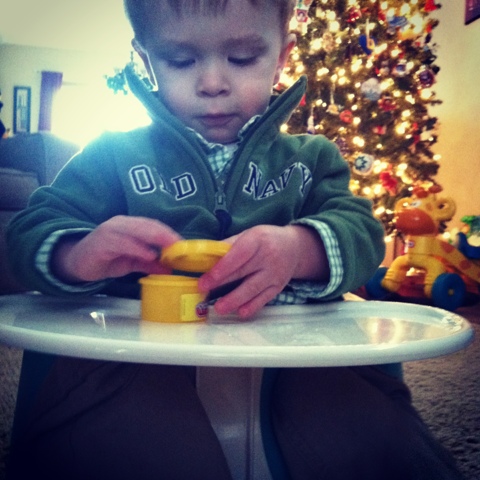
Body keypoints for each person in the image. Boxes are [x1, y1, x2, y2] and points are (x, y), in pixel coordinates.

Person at [6, 1, 464, 479]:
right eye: (180, 60)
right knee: (126, 433)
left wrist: (300, 249)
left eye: (243, 58)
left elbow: (363, 233)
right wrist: (76, 254)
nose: (212, 83)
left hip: (300, 353)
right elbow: (28, 231)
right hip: (137, 356)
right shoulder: (110, 156)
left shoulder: (312, 158)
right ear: (146, 60)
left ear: (281, 57)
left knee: (368, 430)